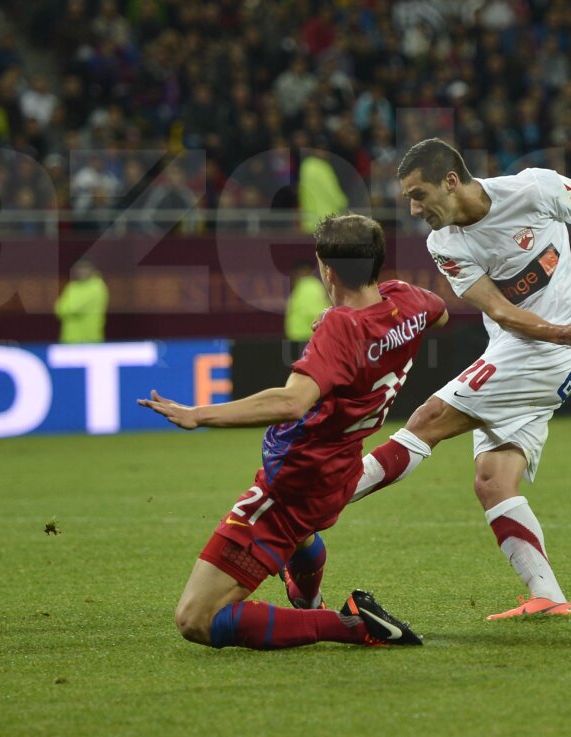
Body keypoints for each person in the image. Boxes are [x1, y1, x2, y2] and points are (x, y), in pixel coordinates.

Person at [352, 138, 571, 620]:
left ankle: (313, 505)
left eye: (419, 195)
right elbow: (499, 310)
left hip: (543, 356)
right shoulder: (445, 243)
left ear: (450, 182)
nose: (414, 209)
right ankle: (548, 596)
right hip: (529, 347)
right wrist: (560, 331)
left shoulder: (535, 189)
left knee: (426, 420)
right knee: (493, 480)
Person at [139, 213, 449, 650]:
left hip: (294, 482)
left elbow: (291, 402)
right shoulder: (408, 301)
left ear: (327, 269)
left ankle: (350, 624)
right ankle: (307, 597)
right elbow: (440, 314)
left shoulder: (342, 328)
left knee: (195, 619)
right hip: (337, 473)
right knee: (301, 536)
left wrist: (198, 415)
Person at [53, 260, 109, 343]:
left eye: (85, 268)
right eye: (80, 268)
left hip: (91, 341)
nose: (82, 271)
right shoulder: (72, 286)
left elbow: (71, 308)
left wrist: (66, 308)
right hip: (69, 341)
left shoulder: (97, 286)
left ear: (92, 269)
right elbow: (59, 309)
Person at [284, 259, 331, 344]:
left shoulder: (308, 286)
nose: (293, 276)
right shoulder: (305, 286)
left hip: (306, 339)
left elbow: (316, 314)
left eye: (295, 273)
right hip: (302, 339)